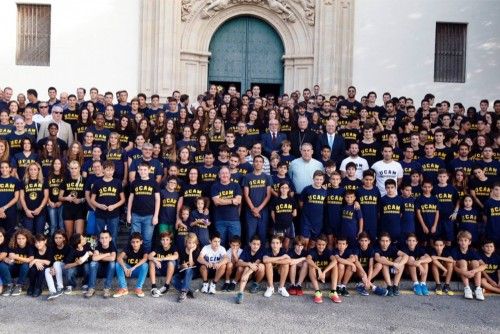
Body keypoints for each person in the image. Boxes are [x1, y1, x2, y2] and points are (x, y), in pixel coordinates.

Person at [127, 161, 160, 252]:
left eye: (145, 170)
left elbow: (157, 199)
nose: (143, 171)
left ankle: (145, 260)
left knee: (147, 240)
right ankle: (135, 258)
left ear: (149, 170)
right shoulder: (134, 182)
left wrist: (156, 215)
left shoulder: (154, 183)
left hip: (149, 216)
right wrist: (128, 214)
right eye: (141, 169)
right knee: (134, 239)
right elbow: (131, 198)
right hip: (136, 215)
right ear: (138, 170)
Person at [90, 161, 125, 242]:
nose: (110, 172)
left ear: (114, 170)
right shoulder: (97, 183)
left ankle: (113, 254)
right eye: (107, 170)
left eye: (111, 170)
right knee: (100, 236)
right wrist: (99, 206)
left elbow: (123, 199)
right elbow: (92, 199)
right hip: (100, 213)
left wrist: (114, 206)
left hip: (114, 214)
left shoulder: (118, 182)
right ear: (103, 170)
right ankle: (100, 253)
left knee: (113, 236)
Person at [243, 155, 272, 244]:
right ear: (253, 163)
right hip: (250, 211)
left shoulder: (267, 177)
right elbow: (246, 195)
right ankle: (248, 256)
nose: (258, 163)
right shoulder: (247, 177)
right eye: (256, 161)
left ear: (263, 163)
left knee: (262, 235)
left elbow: (268, 195)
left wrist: (258, 209)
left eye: (260, 161)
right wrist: (253, 209)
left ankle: (261, 256)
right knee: (250, 235)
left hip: (263, 211)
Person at [210, 166, 242, 247]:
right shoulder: (215, 186)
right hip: (220, 220)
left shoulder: (236, 185)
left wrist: (222, 200)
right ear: (219, 175)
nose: (225, 175)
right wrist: (232, 200)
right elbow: (217, 201)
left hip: (234, 220)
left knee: (235, 243)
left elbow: (238, 201)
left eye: (226, 173)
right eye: (222, 173)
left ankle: (234, 259)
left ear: (230, 174)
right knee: (220, 244)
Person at [451, 230, 486, 300]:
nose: (463, 242)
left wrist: (473, 271)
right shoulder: (455, 250)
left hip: (472, 273)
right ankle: (467, 288)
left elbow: (484, 265)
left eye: (465, 240)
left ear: (469, 242)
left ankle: (478, 289)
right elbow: (453, 266)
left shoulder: (473, 251)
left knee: (475, 262)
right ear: (458, 242)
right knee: (463, 261)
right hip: (460, 272)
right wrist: (464, 272)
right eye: (461, 240)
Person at [306, 234, 341, 303]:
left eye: (323, 245)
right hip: (315, 275)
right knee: (311, 265)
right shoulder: (313, 251)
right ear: (316, 244)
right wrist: (318, 269)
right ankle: (318, 292)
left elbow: (335, 260)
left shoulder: (327, 251)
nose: (321, 246)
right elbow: (308, 259)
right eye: (319, 244)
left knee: (335, 265)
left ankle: (333, 292)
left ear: (326, 244)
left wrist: (324, 272)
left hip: (325, 274)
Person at [113, 232, 149, 298]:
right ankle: (124, 288)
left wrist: (134, 267)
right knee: (118, 264)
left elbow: (145, 258)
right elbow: (119, 258)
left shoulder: (144, 248)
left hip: (137, 271)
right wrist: (125, 268)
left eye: (137, 242)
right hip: (128, 270)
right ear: (130, 242)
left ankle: (138, 288)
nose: (135, 244)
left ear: (141, 242)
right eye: (133, 242)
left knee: (145, 265)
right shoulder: (128, 247)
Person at [373, 232, 409, 297]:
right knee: (383, 259)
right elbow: (377, 258)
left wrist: (399, 265)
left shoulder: (392, 248)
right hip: (382, 272)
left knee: (401, 259)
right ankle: (389, 286)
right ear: (379, 241)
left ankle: (395, 286)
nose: (385, 243)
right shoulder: (377, 248)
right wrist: (394, 264)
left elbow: (406, 256)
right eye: (383, 241)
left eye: (387, 241)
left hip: (394, 270)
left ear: (389, 242)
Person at [85, 230, 117, 299]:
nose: (104, 240)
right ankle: (91, 288)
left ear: (110, 239)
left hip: (109, 271)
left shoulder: (112, 246)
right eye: (102, 238)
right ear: (99, 239)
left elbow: (112, 258)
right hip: (98, 270)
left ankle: (107, 288)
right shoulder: (98, 246)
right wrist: (107, 254)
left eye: (106, 237)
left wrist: (100, 257)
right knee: (93, 263)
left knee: (112, 264)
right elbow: (94, 258)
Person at [2, 229, 34, 296]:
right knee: (2, 265)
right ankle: (9, 285)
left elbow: (30, 259)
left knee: (25, 265)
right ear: (15, 239)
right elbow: (11, 256)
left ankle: (19, 285)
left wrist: (17, 257)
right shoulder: (13, 245)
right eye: (18, 238)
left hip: (24, 270)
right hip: (13, 268)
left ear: (27, 239)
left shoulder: (30, 246)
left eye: (23, 238)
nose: (21, 240)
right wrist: (7, 260)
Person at [299, 170, 327, 248]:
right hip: (306, 219)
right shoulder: (307, 189)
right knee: (304, 242)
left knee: (313, 243)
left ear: (323, 180)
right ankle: (303, 257)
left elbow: (325, 204)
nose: (319, 181)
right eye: (317, 179)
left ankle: (309, 257)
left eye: (321, 179)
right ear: (313, 179)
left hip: (318, 221)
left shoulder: (325, 191)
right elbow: (301, 202)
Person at [235, 234, 265, 304]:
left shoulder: (261, 250)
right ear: (250, 243)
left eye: (258, 244)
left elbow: (256, 265)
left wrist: (246, 275)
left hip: (257, 272)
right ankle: (240, 293)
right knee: (246, 267)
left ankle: (256, 284)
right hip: (249, 271)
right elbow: (238, 263)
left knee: (261, 266)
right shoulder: (246, 249)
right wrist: (248, 264)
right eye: (254, 244)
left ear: (260, 245)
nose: (256, 246)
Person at [59, 160, 86, 238]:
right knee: (69, 234)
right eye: (72, 168)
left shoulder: (84, 180)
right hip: (68, 209)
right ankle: (69, 250)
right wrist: (67, 198)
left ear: (79, 168)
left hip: (80, 209)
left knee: (78, 235)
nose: (73, 170)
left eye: (75, 168)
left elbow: (88, 197)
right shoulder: (65, 180)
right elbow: (60, 197)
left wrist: (80, 200)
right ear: (69, 169)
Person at [149, 231, 179, 297]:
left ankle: (166, 286)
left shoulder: (173, 247)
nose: (165, 242)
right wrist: (155, 260)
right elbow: (149, 256)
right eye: (163, 240)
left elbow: (176, 256)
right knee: (151, 262)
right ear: (160, 241)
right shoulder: (158, 247)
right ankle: (154, 287)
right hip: (160, 269)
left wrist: (162, 259)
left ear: (170, 241)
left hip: (170, 271)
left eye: (167, 240)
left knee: (171, 262)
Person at [173, 233, 200, 302]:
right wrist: (183, 266)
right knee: (173, 280)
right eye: (189, 243)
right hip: (184, 271)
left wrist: (191, 252)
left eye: (193, 243)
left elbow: (191, 265)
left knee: (189, 270)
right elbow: (180, 266)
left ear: (196, 243)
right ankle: (190, 291)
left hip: (193, 272)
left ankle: (184, 292)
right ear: (186, 243)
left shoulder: (197, 251)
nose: (191, 245)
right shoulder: (182, 250)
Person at [0, 161, 21, 238]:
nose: (4, 169)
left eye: (6, 167)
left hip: (11, 211)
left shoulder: (15, 181)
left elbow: (16, 198)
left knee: (10, 234)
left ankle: (9, 250)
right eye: (2, 167)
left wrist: (3, 208)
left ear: (10, 169)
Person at [27, 234, 53, 298]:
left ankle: (38, 288)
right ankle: (31, 286)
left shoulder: (49, 249)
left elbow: (48, 262)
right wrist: (36, 262)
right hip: (35, 266)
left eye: (39, 242)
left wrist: (36, 260)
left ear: (45, 241)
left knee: (42, 269)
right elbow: (31, 261)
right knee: (32, 269)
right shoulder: (32, 248)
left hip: (46, 267)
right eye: (36, 243)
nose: (37, 244)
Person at [44, 230, 68, 300]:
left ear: (64, 238)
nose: (57, 240)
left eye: (60, 238)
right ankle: (53, 291)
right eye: (56, 238)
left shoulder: (68, 247)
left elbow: (67, 261)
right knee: (47, 270)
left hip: (65, 268)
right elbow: (50, 260)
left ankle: (60, 287)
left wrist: (54, 266)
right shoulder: (51, 248)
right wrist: (52, 268)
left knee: (56, 263)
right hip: (56, 268)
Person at [415, 179, 440, 246]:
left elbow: (437, 213)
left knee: (432, 244)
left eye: (429, 187)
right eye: (425, 187)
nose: (427, 189)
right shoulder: (419, 199)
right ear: (422, 187)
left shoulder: (435, 199)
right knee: (424, 243)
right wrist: (423, 226)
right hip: (423, 225)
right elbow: (418, 213)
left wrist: (434, 226)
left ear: (432, 187)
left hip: (432, 225)